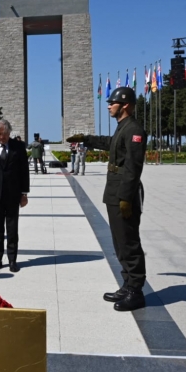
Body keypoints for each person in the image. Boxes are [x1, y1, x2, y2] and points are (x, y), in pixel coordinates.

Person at [67, 86, 147, 312]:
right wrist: (86, 139)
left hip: (124, 194)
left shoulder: (134, 129)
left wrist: (125, 198)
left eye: (112, 103)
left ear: (126, 105)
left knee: (129, 242)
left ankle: (136, 292)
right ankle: (128, 284)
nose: (109, 106)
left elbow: (133, 167)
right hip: (115, 192)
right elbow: (110, 143)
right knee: (119, 243)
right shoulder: (123, 128)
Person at [0, 119, 30, 273]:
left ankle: (12, 259)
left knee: (12, 229)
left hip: (13, 195)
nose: (2, 137)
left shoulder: (18, 147)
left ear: (9, 132)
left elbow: (24, 172)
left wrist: (24, 194)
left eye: (5, 134)